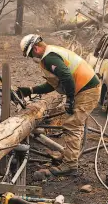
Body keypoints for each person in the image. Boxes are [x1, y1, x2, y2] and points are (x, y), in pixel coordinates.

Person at [18, 34, 101, 176]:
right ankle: (70, 156)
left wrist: (69, 99)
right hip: (85, 88)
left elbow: (67, 77)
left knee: (73, 125)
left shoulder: (49, 58)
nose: (33, 58)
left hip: (87, 90)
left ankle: (70, 166)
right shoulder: (52, 52)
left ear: (36, 48)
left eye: (31, 54)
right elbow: (53, 84)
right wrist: (31, 90)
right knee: (73, 124)